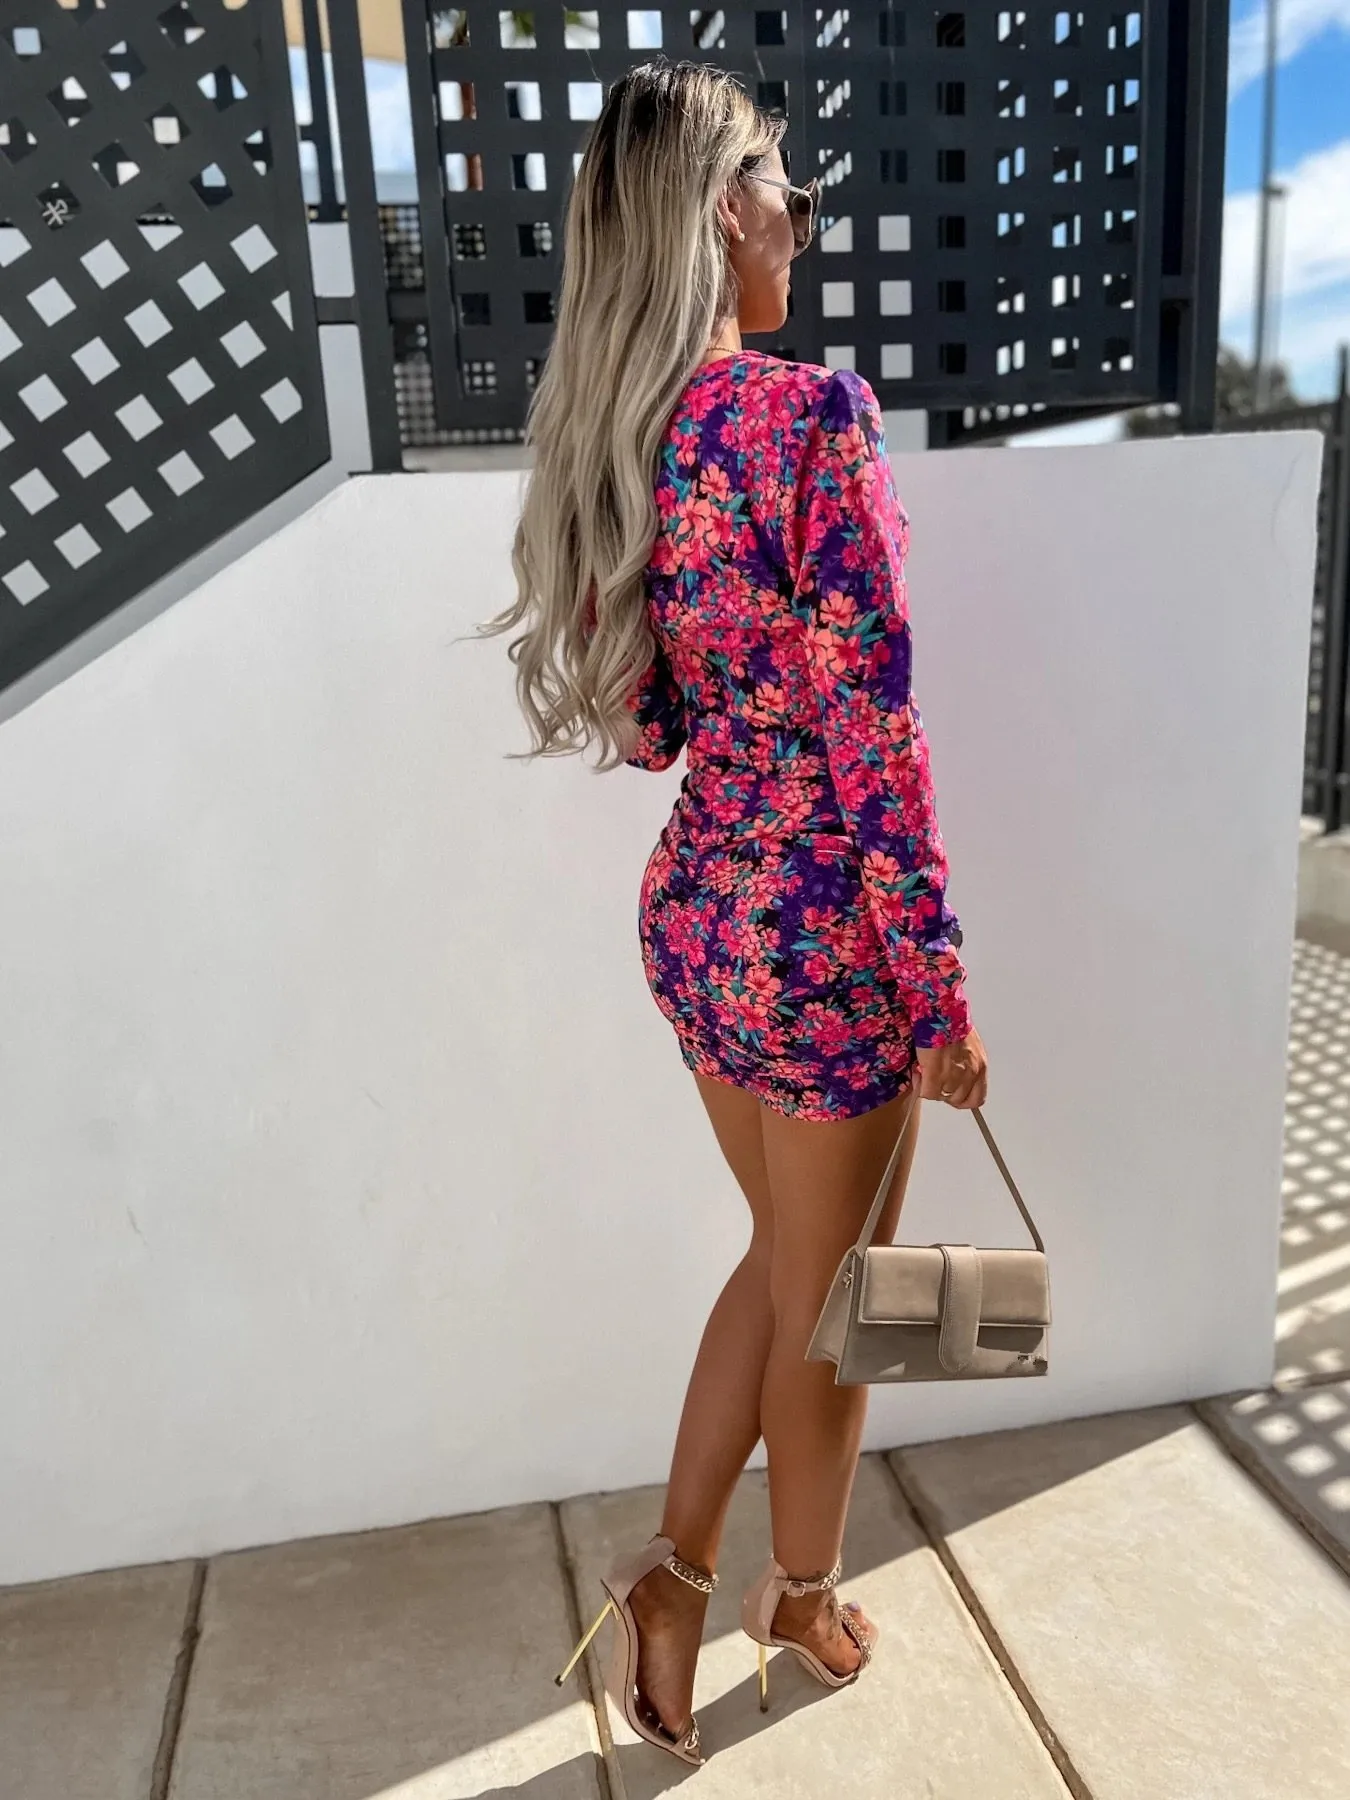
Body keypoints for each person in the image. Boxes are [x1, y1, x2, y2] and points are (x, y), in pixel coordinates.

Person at [490, 59, 988, 1766]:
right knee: (838, 1308)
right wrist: (935, 983)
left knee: (788, 1268)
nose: (800, 213)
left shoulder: (633, 446)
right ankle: (800, 1593)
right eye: (784, 182)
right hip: (823, 932)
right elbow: (872, 726)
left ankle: (674, 1571)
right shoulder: (805, 419)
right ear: (723, 208)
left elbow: (654, 732)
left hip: (702, 912)